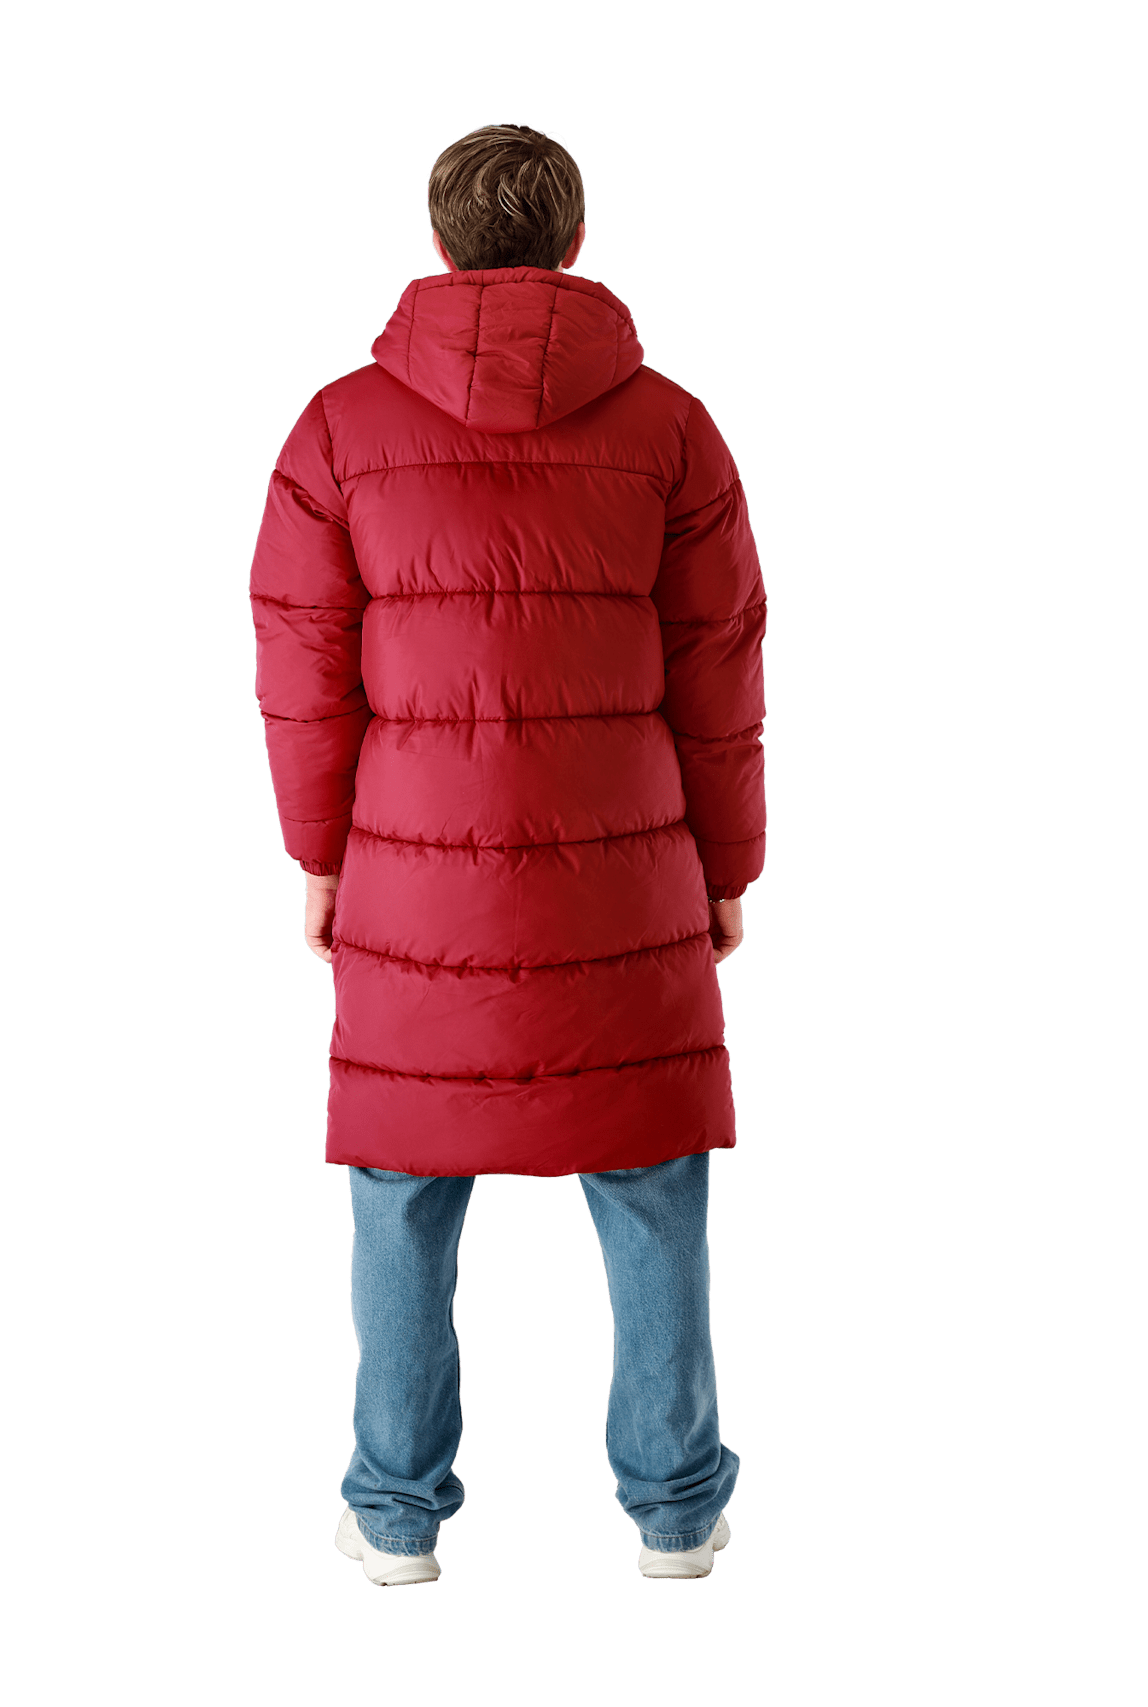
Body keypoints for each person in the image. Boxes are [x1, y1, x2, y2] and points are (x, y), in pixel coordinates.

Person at [249, 124, 767, 1585]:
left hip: (413, 882)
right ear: (576, 245)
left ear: (439, 248)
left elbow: (301, 670)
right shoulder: (673, 430)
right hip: (628, 876)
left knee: (403, 1189)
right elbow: (723, 665)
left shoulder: (337, 429)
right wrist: (728, 864)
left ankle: (393, 1515)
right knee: (652, 1183)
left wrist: (317, 855)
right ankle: (677, 1515)